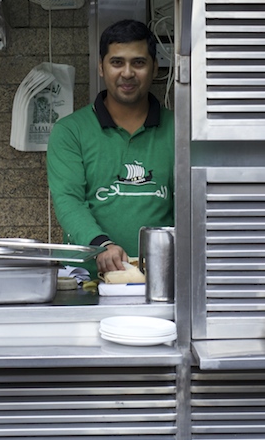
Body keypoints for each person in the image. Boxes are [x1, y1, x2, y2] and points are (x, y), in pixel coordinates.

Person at [46, 19, 174, 276]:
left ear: (155, 68)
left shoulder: (179, 129)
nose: (127, 73)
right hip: (87, 278)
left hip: (164, 276)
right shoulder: (70, 131)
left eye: (138, 63)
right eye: (117, 62)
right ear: (101, 68)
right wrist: (101, 245)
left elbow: (192, 203)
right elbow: (69, 200)